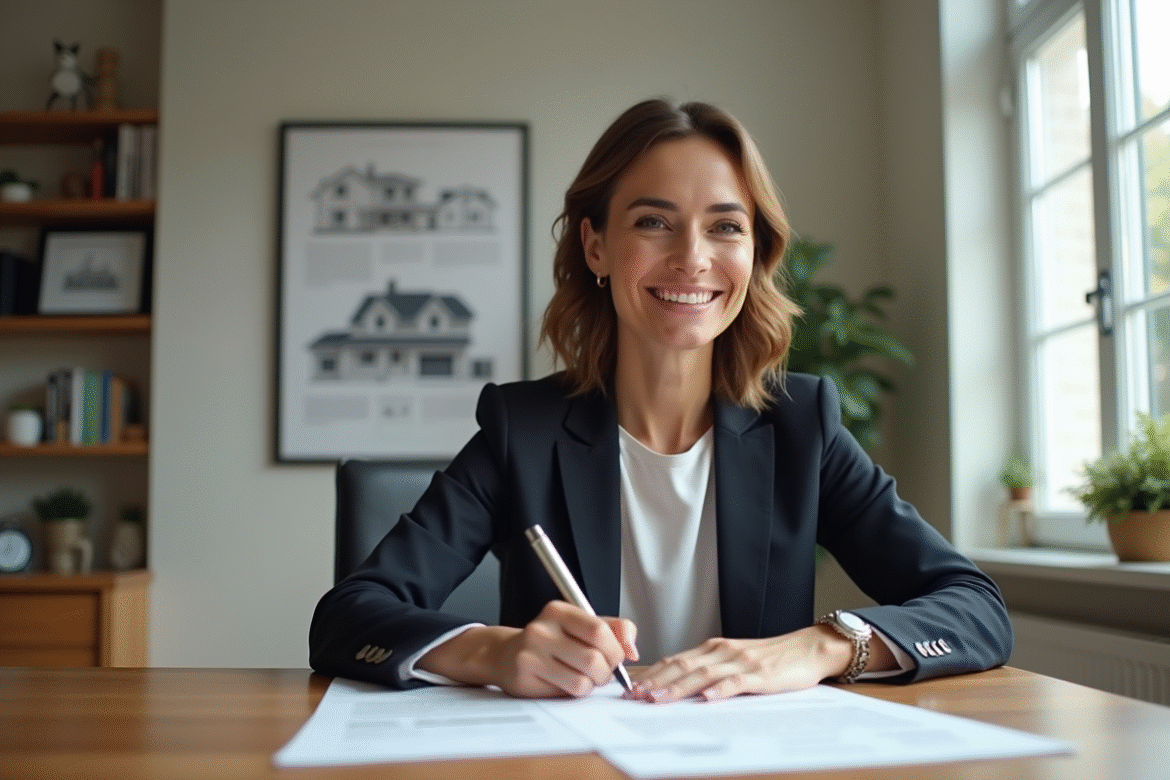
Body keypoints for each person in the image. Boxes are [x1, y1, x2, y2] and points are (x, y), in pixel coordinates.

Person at [308, 98, 1013, 703]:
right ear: (595, 246)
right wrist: (493, 651)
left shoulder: (804, 426)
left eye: (726, 226)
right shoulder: (521, 431)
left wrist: (820, 647)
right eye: (653, 221)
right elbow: (347, 617)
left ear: (755, 254)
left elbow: (976, 608)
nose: (693, 258)